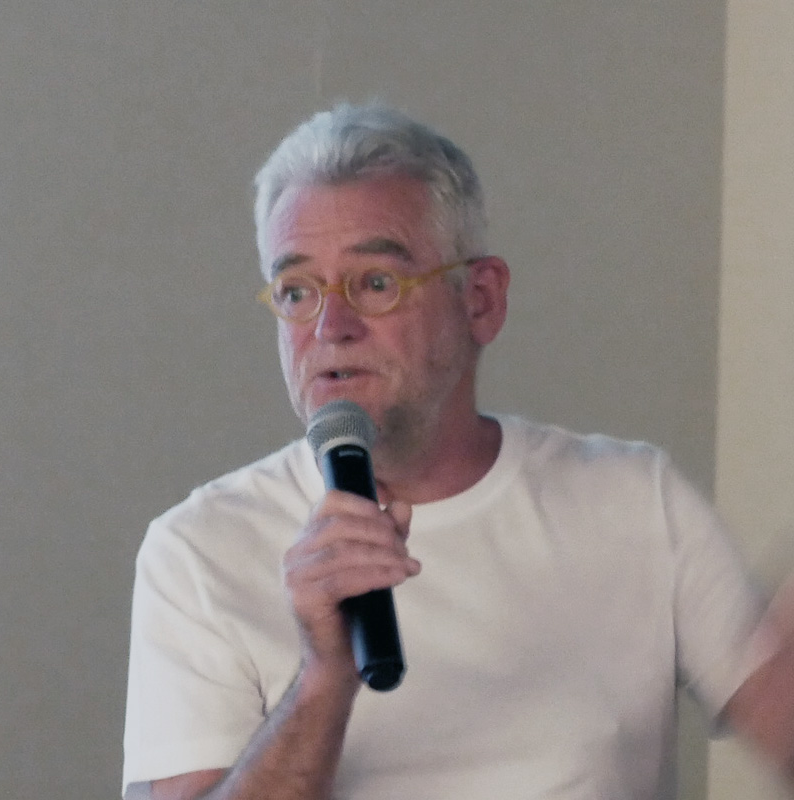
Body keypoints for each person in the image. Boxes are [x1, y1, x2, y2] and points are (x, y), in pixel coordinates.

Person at [123, 103, 794, 800]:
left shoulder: (635, 501)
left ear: (480, 300)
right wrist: (323, 679)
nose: (331, 326)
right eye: (296, 291)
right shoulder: (199, 550)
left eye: (375, 283)